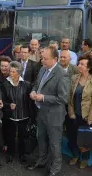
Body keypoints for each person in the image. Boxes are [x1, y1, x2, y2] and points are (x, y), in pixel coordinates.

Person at [28, 46, 69, 176]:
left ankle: (55, 169)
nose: (42, 61)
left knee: (54, 143)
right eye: (42, 58)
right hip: (41, 113)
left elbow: (63, 98)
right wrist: (34, 91)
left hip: (54, 116)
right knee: (41, 139)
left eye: (46, 59)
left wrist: (43, 97)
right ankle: (42, 161)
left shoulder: (62, 74)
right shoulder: (42, 69)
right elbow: (36, 84)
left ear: (55, 59)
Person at [67, 54, 92, 169]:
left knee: (85, 139)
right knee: (72, 137)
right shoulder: (74, 78)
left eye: (82, 64)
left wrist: (91, 118)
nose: (79, 65)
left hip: (86, 116)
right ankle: (75, 155)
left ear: (89, 67)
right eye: (79, 63)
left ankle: (84, 158)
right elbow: (69, 97)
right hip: (73, 115)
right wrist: (71, 113)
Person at [0, 61, 33, 164]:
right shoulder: (4, 84)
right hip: (11, 116)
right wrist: (8, 105)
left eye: (14, 72)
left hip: (24, 115)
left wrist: (32, 115)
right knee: (10, 137)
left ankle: (22, 154)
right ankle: (10, 154)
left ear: (19, 73)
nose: (11, 73)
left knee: (23, 137)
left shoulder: (26, 85)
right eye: (10, 71)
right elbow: (2, 100)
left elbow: (30, 101)